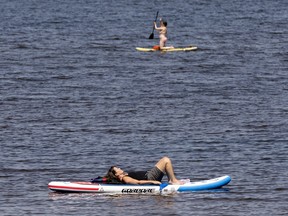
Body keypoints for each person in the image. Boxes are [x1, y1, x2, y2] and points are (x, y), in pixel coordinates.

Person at [105, 156, 183, 185]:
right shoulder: (125, 178)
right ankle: (173, 181)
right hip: (150, 177)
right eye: (117, 169)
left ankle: (172, 180)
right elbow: (137, 182)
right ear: (116, 175)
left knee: (165, 161)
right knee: (166, 160)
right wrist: (153, 182)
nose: (119, 168)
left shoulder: (124, 175)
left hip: (150, 174)